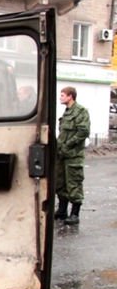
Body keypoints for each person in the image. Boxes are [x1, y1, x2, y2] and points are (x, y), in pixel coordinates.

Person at [55, 86, 90, 225]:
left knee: (74, 183)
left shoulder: (81, 111)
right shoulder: (67, 112)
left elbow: (83, 132)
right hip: (62, 154)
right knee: (60, 183)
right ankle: (62, 211)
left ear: (70, 96)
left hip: (73, 155)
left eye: (63, 95)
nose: (60, 97)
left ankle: (75, 214)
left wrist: (67, 144)